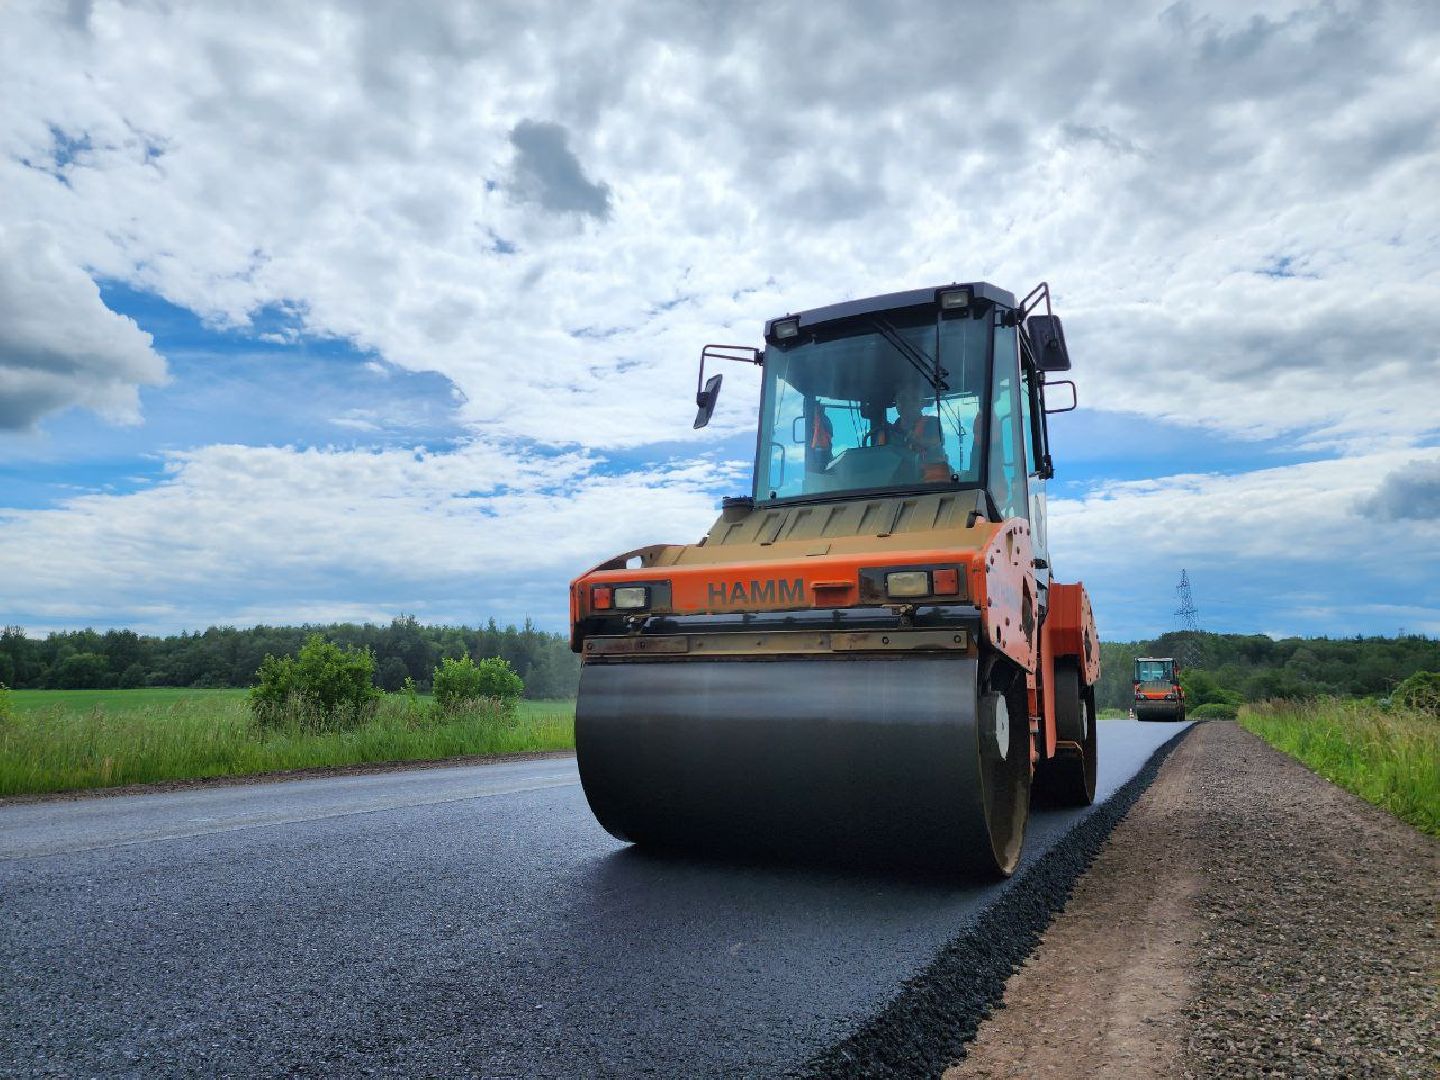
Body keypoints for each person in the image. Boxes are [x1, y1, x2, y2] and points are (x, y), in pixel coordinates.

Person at [876, 383, 950, 481]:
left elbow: (934, 443)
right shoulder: (885, 434)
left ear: (922, 403)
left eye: (914, 399)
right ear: (896, 404)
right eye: (902, 399)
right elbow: (874, 464)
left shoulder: (932, 424)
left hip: (932, 489)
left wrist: (916, 441)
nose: (908, 403)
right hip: (890, 491)